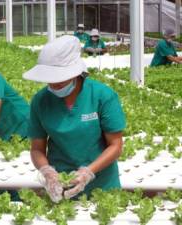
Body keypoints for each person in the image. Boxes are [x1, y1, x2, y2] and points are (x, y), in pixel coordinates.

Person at [23, 35, 125, 202]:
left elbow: (115, 145)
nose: (53, 85)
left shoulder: (102, 95)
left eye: (59, 80)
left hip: (103, 185)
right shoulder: (40, 101)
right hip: (61, 185)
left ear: (75, 73)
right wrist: (47, 171)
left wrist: (88, 172)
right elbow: (37, 148)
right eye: (49, 80)